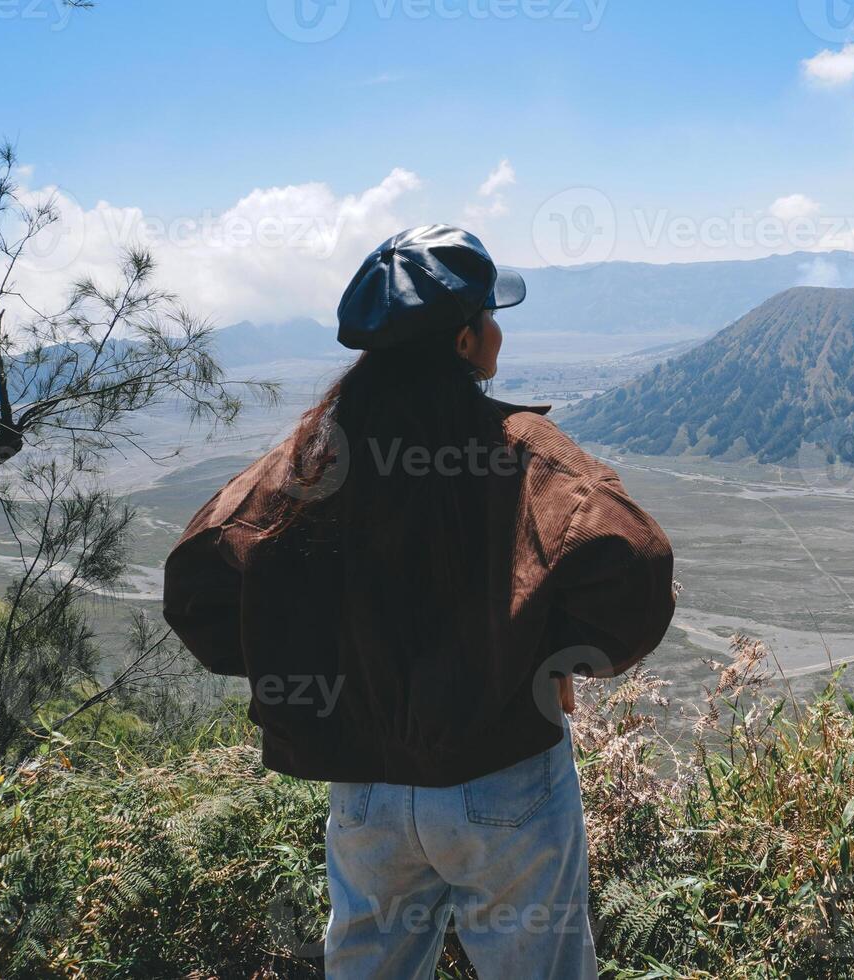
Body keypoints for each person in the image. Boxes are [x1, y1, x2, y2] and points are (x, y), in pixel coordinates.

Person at [162, 225, 676, 979]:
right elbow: (634, 563)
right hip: (504, 777)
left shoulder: (314, 454)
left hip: (365, 789)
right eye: (490, 318)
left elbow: (202, 575)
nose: (499, 331)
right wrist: (548, 655)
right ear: (467, 343)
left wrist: (313, 665)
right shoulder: (522, 448)